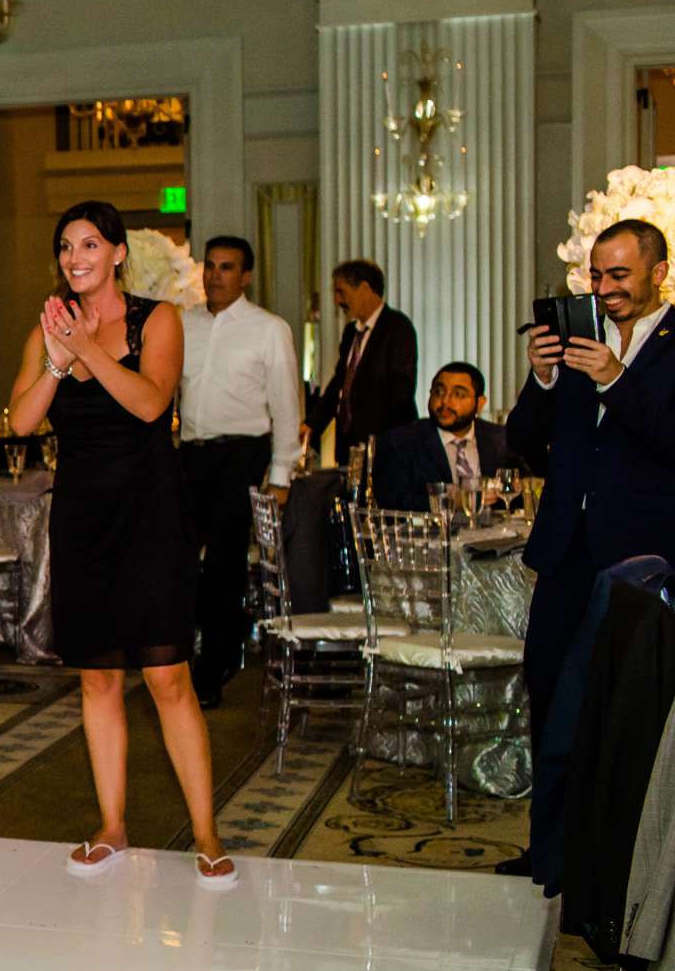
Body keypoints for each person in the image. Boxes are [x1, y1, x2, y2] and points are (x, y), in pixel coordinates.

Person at [9, 200, 234, 889]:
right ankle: (112, 825)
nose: (74, 258)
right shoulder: (48, 325)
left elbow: (150, 404)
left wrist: (86, 351)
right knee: (99, 676)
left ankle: (206, 833)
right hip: (83, 517)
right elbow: (20, 422)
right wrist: (54, 359)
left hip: (152, 512)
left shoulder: (155, 319)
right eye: (65, 248)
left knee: (168, 677)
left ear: (115, 255)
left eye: (88, 245)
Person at [508, 218, 675, 854]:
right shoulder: (581, 336)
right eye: (596, 275)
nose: (604, 289)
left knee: (631, 711)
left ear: (658, 272)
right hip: (566, 549)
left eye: (620, 275)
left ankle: (617, 867)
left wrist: (614, 380)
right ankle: (547, 854)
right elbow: (524, 441)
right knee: (549, 694)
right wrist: (543, 378)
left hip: (646, 560)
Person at [177, 235, 302, 708]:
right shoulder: (184, 323)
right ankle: (183, 659)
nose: (215, 275)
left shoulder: (269, 328)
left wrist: (281, 473)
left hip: (243, 454)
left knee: (225, 564)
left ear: (245, 276)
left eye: (226, 267)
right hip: (192, 455)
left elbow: (286, 404)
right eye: (210, 266)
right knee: (180, 562)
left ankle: (215, 668)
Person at [306, 259, 417, 463]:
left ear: (365, 288)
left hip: (386, 448)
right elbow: (339, 385)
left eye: (341, 292)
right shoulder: (351, 333)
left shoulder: (398, 327)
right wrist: (311, 425)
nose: (337, 300)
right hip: (349, 448)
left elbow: (400, 392)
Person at [373, 362, 516, 513]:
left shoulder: (502, 438)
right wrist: (453, 501)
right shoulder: (399, 442)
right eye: (439, 392)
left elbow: (521, 490)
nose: (445, 402)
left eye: (458, 394)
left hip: (497, 533)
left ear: (480, 403)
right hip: (432, 535)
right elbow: (392, 503)